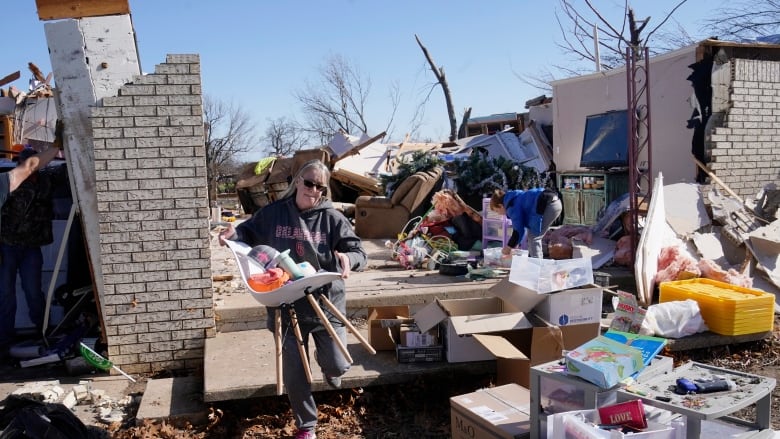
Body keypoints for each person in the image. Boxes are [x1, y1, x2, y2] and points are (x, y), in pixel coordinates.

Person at [219, 159, 367, 439]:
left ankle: (329, 366)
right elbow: (246, 232)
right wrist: (232, 234)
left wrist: (350, 259)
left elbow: (358, 251)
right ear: (298, 181)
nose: (313, 190)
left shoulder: (332, 218)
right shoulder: (274, 213)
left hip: (325, 301)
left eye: (320, 187)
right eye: (309, 182)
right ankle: (306, 426)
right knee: (295, 371)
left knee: (338, 364)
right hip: (285, 303)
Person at [0, 146, 67, 357]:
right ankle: (4, 342)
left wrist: (66, 145)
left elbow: (68, 170)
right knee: (6, 295)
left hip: (31, 247)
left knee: (33, 293)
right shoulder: (9, 182)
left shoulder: (47, 180)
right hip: (6, 245)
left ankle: (43, 332)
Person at [489, 187, 562, 259]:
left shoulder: (511, 206)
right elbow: (521, 228)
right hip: (554, 201)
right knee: (532, 235)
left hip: (549, 205)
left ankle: (537, 266)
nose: (499, 214)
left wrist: (509, 247)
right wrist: (515, 243)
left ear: (500, 206)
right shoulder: (513, 197)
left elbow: (518, 230)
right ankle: (537, 263)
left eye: (497, 211)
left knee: (534, 237)